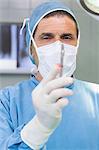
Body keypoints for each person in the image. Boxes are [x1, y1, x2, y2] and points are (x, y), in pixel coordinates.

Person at [0, 1, 99, 150]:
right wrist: (39, 127)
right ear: (31, 48)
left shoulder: (96, 97)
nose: (58, 46)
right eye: (47, 37)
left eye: (67, 37)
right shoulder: (7, 101)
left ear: (77, 45)